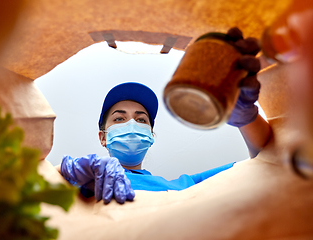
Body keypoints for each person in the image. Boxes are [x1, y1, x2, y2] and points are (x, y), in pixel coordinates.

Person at [57, 28, 272, 204]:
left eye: (141, 120)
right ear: (102, 137)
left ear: (150, 136)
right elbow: (30, 182)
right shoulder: (86, 181)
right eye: (119, 119)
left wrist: (246, 117)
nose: (132, 123)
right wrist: (70, 172)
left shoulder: (185, 186)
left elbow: (267, 161)